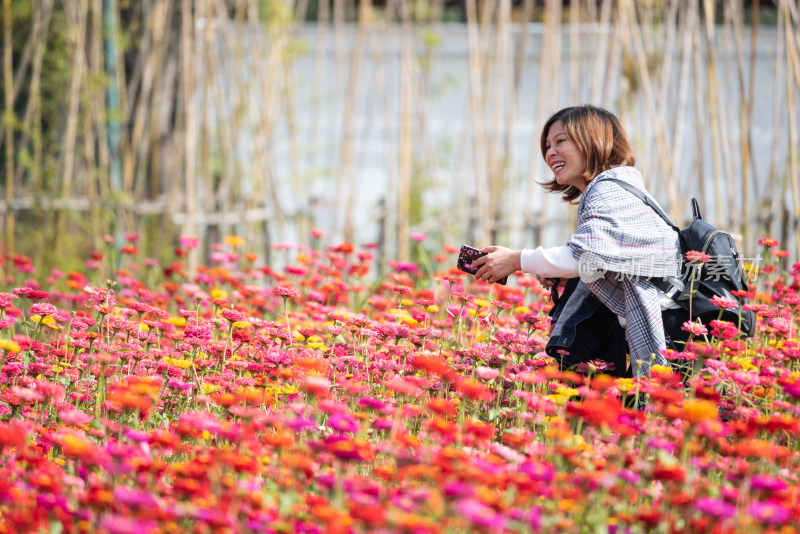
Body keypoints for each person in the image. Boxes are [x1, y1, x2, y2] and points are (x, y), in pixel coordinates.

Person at [472, 105, 687, 378]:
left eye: (561, 141)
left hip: (671, 327)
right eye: (547, 146)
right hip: (661, 322)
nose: (550, 153)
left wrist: (517, 260)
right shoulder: (618, 186)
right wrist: (565, 277)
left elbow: (583, 256)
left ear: (595, 140)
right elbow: (614, 262)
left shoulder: (609, 189)